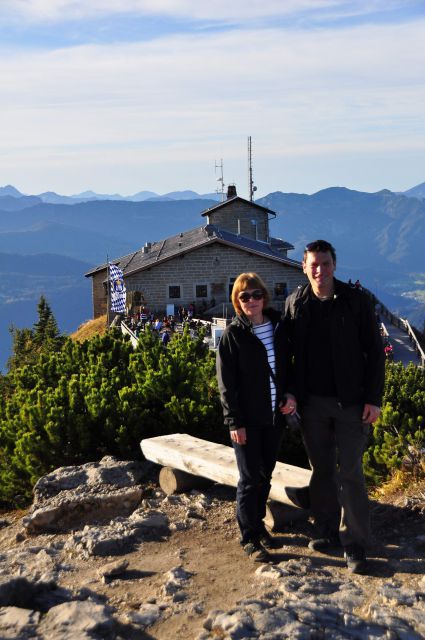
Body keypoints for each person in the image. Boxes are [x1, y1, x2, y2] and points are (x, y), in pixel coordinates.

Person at [284, 240, 385, 574]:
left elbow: (375, 352)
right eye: (313, 264)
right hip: (311, 403)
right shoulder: (295, 303)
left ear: (334, 265)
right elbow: (286, 356)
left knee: (351, 472)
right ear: (304, 267)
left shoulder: (355, 302)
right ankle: (326, 529)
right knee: (321, 469)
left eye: (325, 264)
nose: (319, 270)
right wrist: (290, 394)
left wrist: (373, 399)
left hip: (351, 403)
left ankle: (354, 542)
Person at [216, 272, 297, 563]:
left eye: (256, 295)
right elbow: (226, 385)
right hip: (247, 421)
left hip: (273, 417)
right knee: (249, 480)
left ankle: (259, 527)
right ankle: (248, 537)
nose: (251, 300)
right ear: (237, 302)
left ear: (264, 296)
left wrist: (290, 394)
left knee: (264, 476)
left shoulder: (278, 327)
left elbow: (287, 369)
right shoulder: (233, 335)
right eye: (244, 296)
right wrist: (233, 422)